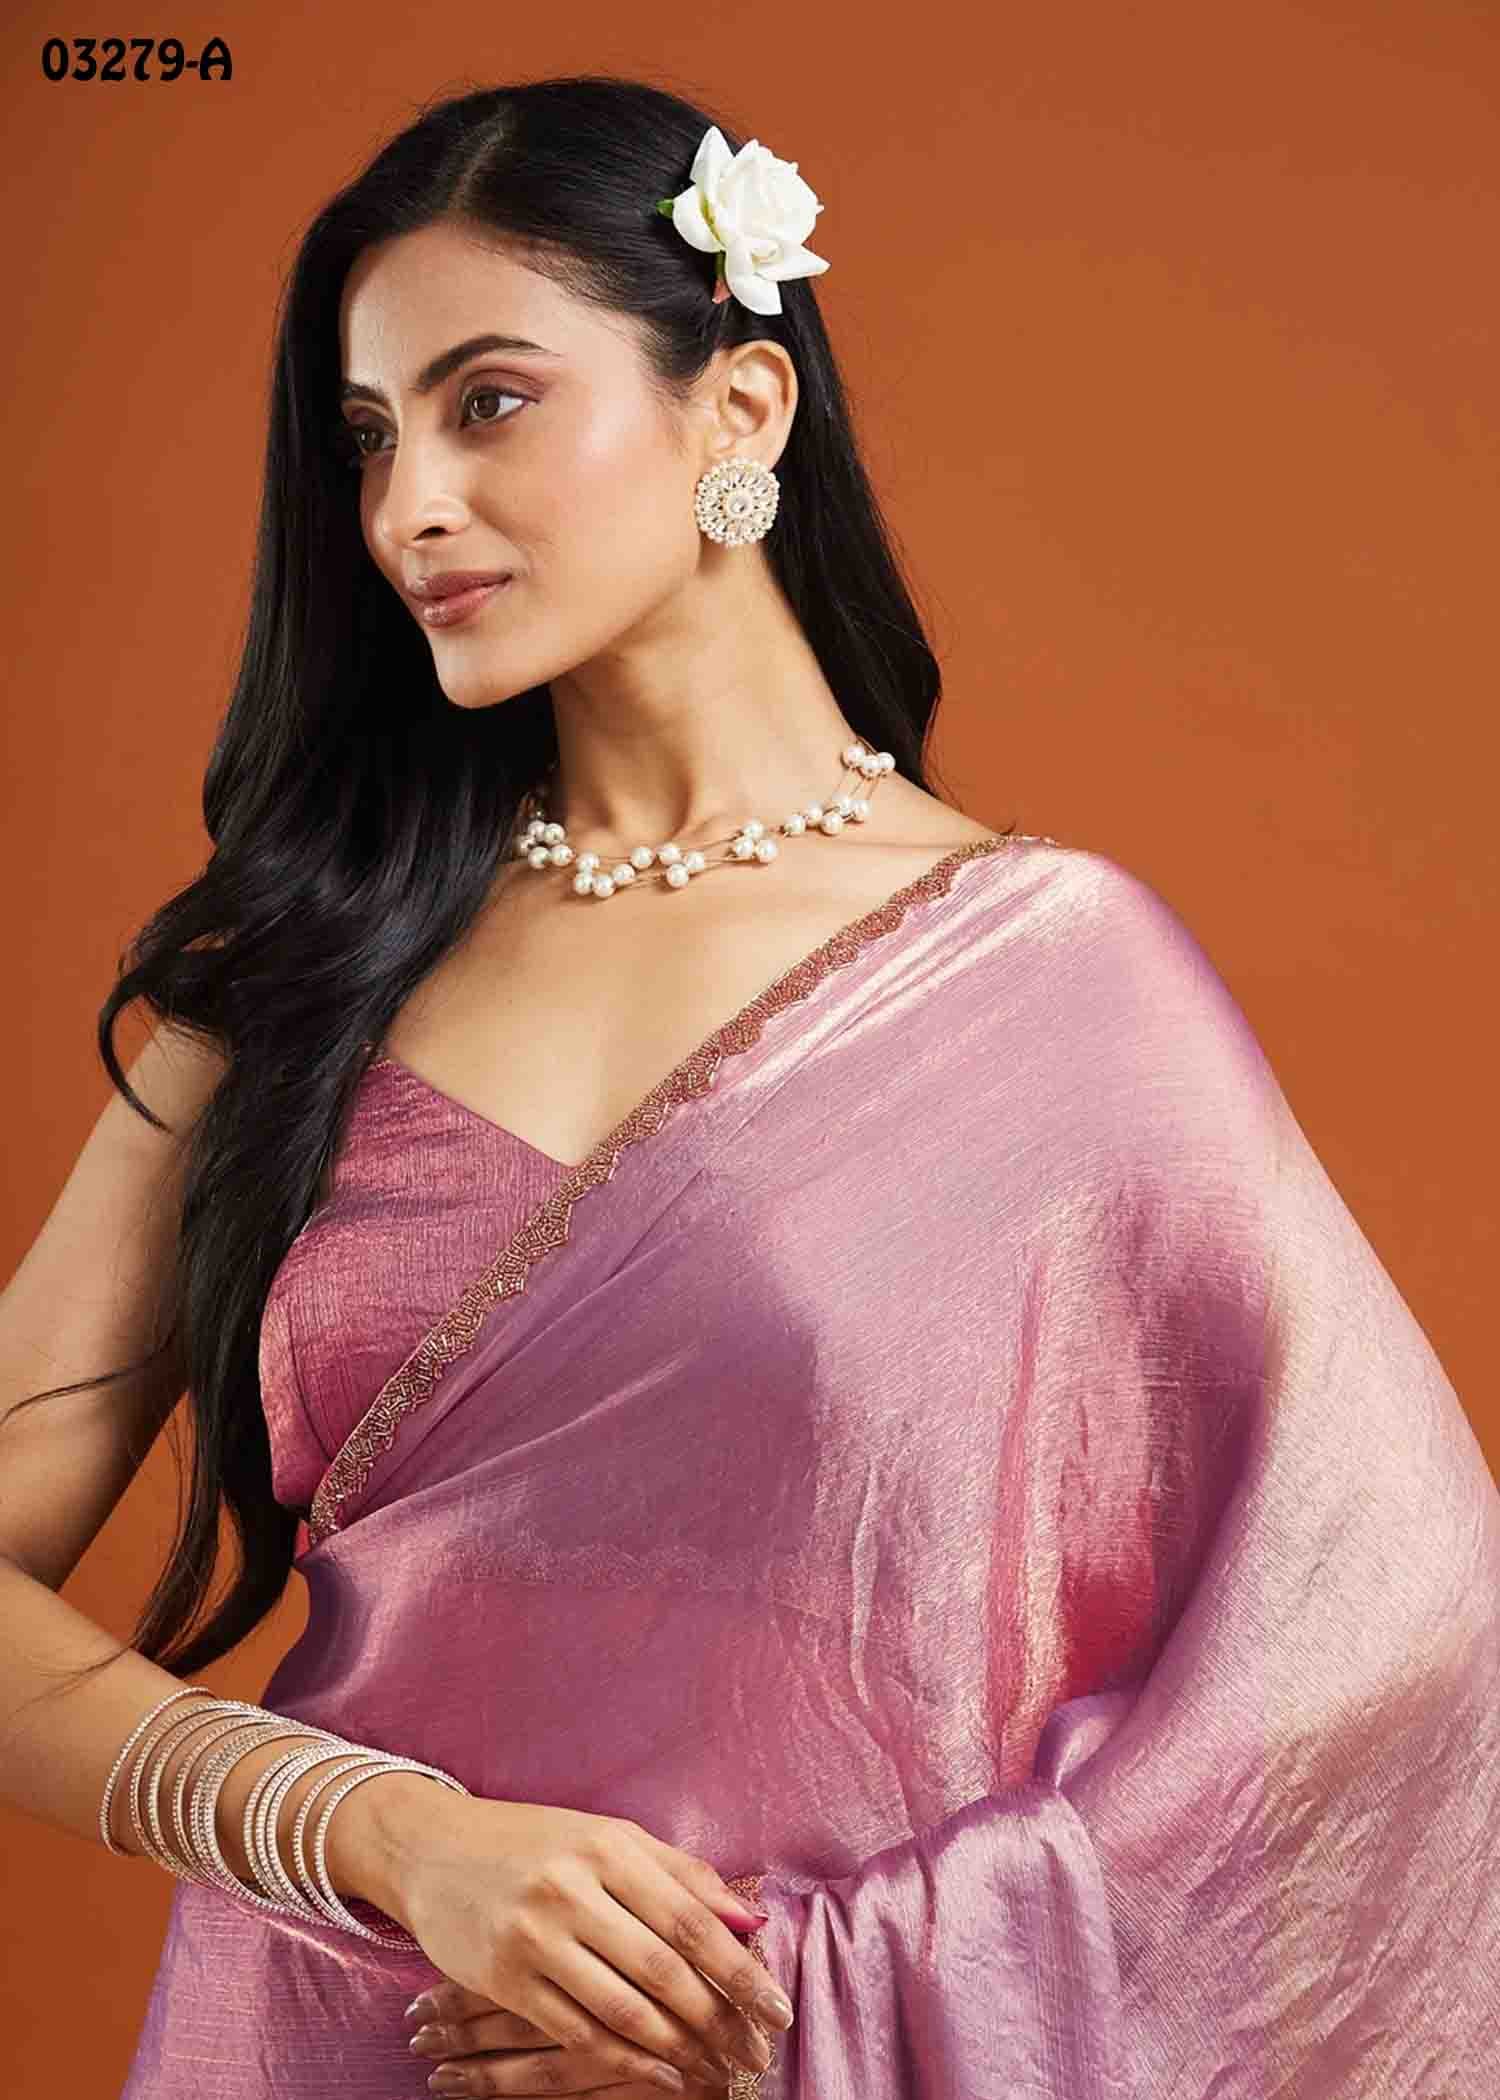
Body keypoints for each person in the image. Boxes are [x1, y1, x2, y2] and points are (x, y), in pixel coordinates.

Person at [2, 74, 1496, 2100]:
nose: (406, 506)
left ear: (742, 407)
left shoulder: (1058, 987)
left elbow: (1383, 1656)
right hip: (328, 2035)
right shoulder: (283, 988)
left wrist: (793, 1999)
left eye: (488, 403)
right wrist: (387, 1836)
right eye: (368, 439)